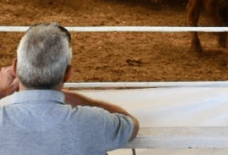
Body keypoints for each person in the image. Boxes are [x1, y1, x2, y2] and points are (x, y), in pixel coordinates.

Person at [0, 22, 139, 154]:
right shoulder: (92, 121)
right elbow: (132, 125)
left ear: (15, 67)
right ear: (68, 74)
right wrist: (85, 102)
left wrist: (4, 91)